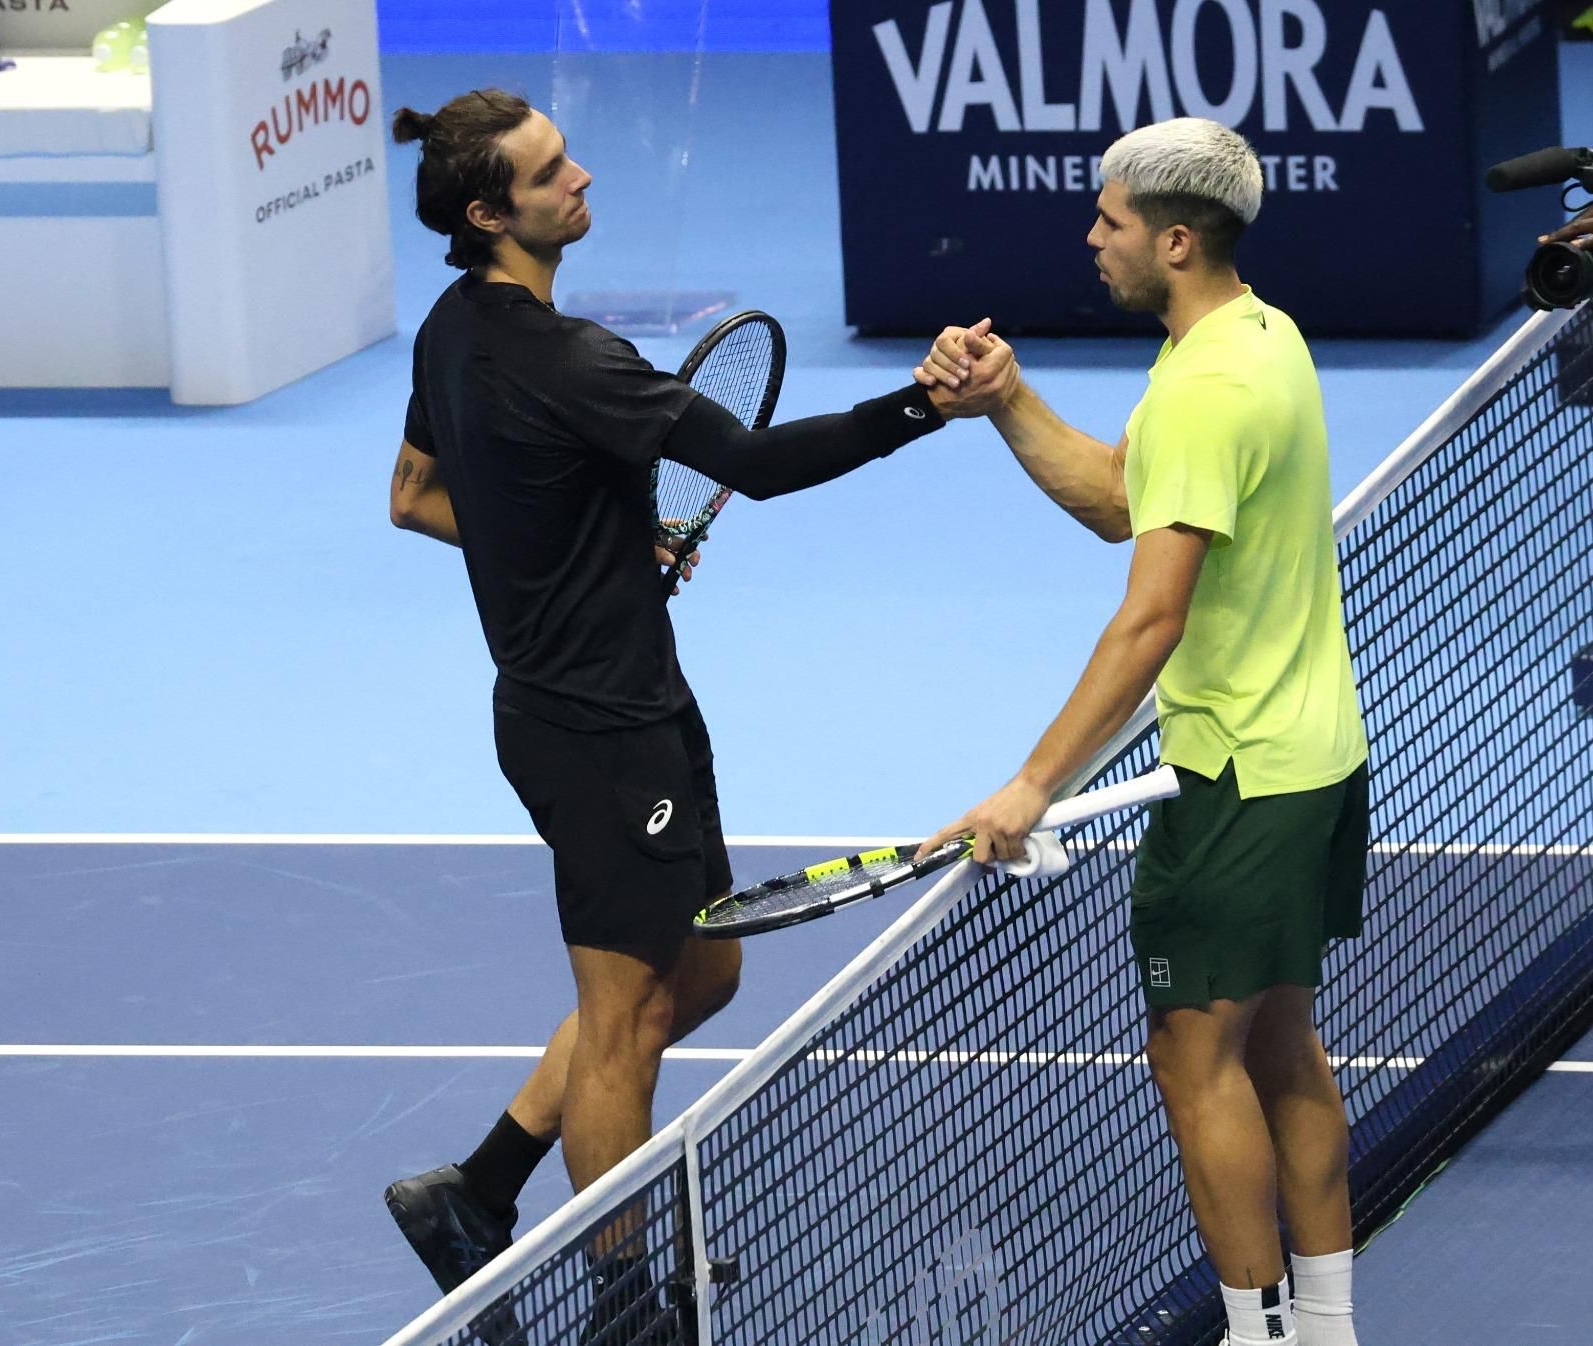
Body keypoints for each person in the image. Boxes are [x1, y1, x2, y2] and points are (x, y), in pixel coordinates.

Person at [381, 87, 968, 1341]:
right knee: (621, 1024)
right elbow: (754, 467)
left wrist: (588, 544)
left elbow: (417, 494)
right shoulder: (574, 359)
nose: (581, 175)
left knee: (703, 968)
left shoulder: (448, 330)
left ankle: (475, 1190)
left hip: (614, 704)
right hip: (596, 731)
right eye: (550, 174)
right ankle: (620, 1309)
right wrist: (921, 406)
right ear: (492, 212)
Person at [915, 118, 1367, 1346]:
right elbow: (1126, 499)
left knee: (1189, 1056)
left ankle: (1259, 1331)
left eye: (1108, 220)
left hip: (1230, 774)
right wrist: (1008, 402)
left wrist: (1029, 783)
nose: (1090, 236)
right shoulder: (1251, 338)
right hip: (1312, 751)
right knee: (1279, 1039)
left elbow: (1149, 614)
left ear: (1173, 240)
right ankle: (1322, 1327)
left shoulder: (1208, 385)